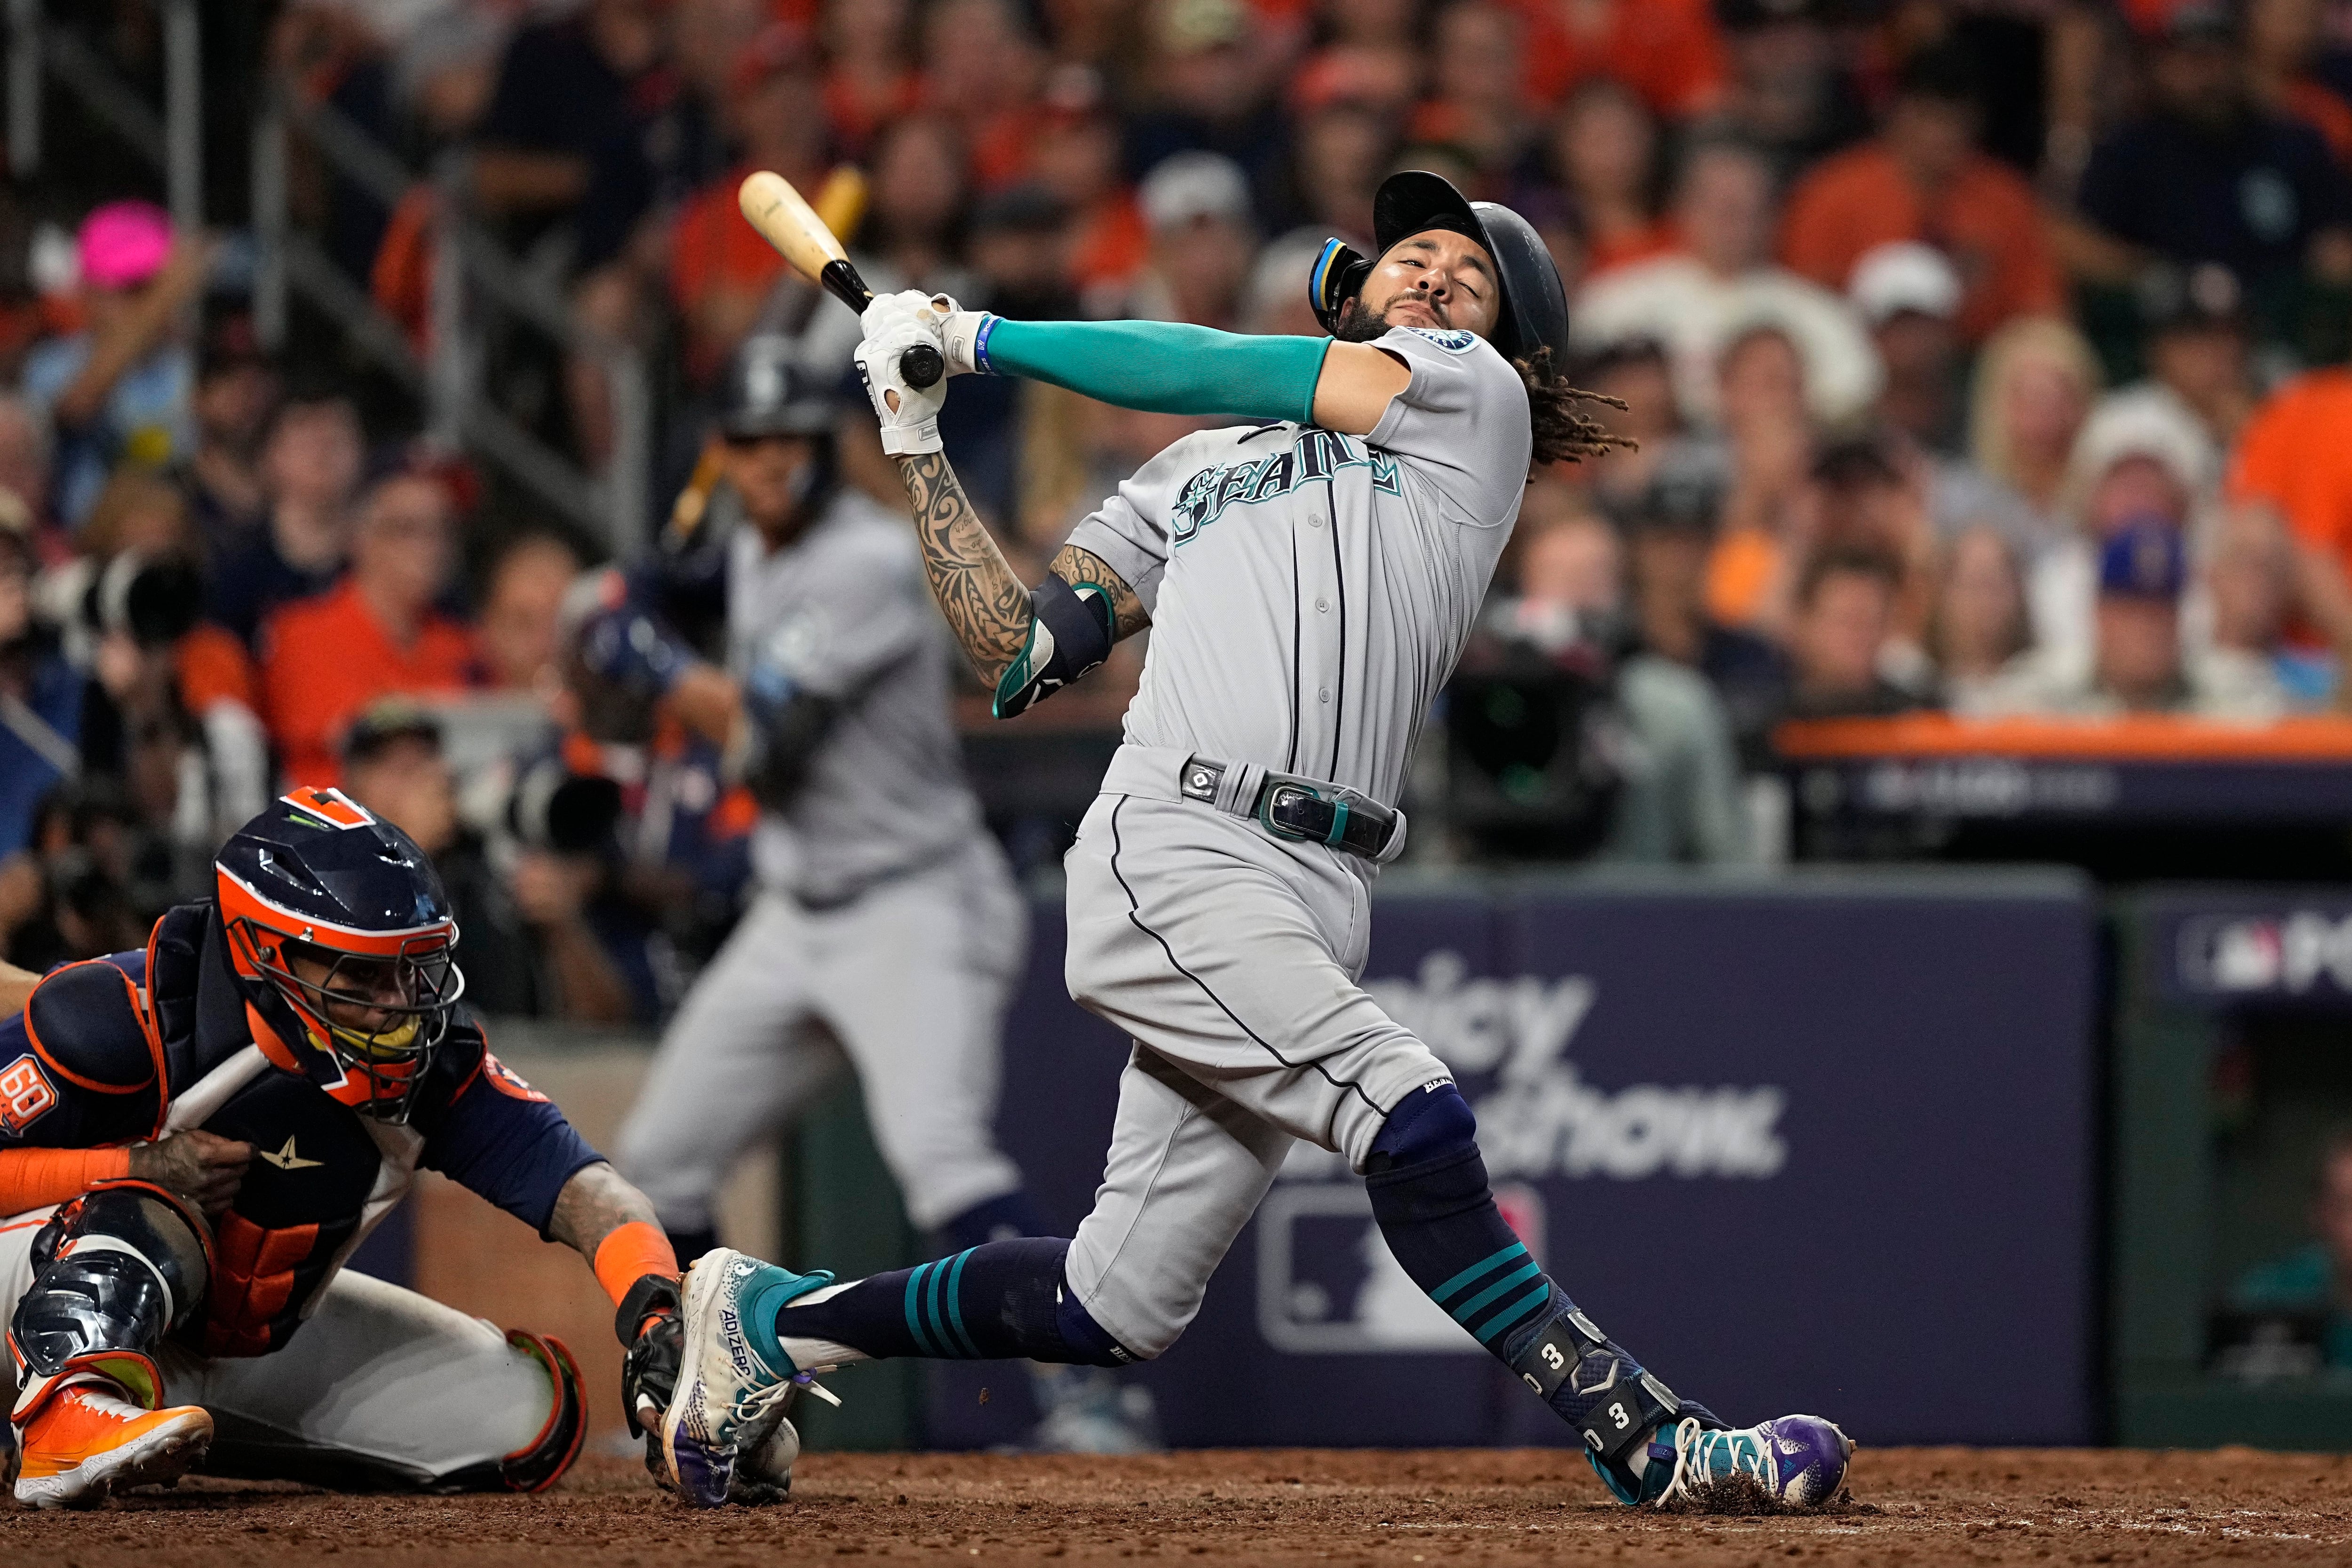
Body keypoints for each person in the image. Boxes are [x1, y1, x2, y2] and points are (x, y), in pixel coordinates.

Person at [655, 170, 1851, 1510]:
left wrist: (986, 337)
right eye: (1417, 253)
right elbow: (1017, 652)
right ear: (1355, 280)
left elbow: (1213, 360)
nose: (1440, 276)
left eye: (1473, 273)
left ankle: (773, 1323)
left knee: (1116, 1300)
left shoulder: (1470, 399)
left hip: (1322, 878)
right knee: (1408, 1105)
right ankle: (1654, 1439)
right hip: (1174, 841)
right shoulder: (1198, 470)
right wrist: (918, 436)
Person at [598, 338, 1153, 1453]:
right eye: (749, 444)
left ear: (823, 449)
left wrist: (649, 652)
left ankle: (1091, 1399)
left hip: (914, 904)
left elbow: (761, 742)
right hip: (796, 911)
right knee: (658, 1164)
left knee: (939, 1153)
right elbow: (693, 602)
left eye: (789, 443)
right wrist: (648, 597)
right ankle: (707, 1382)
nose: (768, 466)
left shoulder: (865, 560)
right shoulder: (753, 549)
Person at [0, 788, 785, 1506]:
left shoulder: (434, 1067)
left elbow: (591, 1192)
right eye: (362, 975)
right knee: (159, 1201)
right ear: (263, 952)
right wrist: (127, 1166)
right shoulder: (120, 1015)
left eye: (413, 973)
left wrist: (655, 1316)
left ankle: (139, 1416)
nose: (400, 1009)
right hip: (28, 1305)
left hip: (228, 1341)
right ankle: (60, 1414)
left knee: (524, 1417)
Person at [1572, 136, 1879, 430]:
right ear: (1683, 209)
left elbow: (1850, 397)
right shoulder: (1616, 299)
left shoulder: (1820, 312)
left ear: (1772, 216)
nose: (1729, 221)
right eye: (1718, 205)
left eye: (1744, 208)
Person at [1778, 42, 2063, 346]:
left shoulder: (2005, 201)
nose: (1942, 135)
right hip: (1858, 362)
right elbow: (1799, 309)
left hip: (1974, 366)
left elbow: (2044, 313)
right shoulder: (1831, 195)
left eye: (1957, 121)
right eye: (1930, 117)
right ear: (1897, 112)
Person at [256, 470, 476, 789]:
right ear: (359, 537)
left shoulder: (462, 645)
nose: (433, 547)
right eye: (408, 529)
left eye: (443, 529)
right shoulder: (301, 634)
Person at [20, 203, 211, 529]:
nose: (147, 300)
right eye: (132, 288)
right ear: (88, 291)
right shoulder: (51, 364)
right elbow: (77, 406)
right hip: (86, 552)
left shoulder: (191, 365)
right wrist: (162, 300)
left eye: (153, 285)